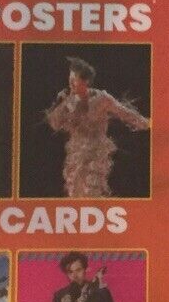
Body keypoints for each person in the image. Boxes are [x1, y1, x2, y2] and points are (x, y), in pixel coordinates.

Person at [44, 57, 149, 198]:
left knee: (91, 190)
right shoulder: (69, 101)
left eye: (75, 79)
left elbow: (125, 113)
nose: (71, 83)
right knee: (75, 191)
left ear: (86, 81)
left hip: (95, 153)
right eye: (70, 78)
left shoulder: (101, 99)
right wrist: (64, 106)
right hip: (76, 154)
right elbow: (54, 123)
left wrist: (147, 123)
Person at [45, 253, 117, 302]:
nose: (74, 276)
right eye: (70, 272)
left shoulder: (97, 291)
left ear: (86, 270)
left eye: (78, 270)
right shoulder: (60, 295)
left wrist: (101, 288)